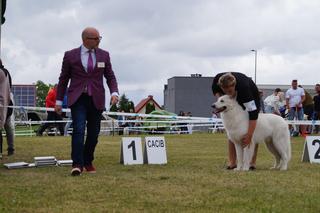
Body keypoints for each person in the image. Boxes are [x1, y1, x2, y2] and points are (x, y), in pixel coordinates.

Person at [55, 27, 119, 176]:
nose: (98, 41)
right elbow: (63, 79)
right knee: (78, 129)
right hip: (78, 98)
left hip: (96, 98)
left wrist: (114, 92)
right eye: (95, 38)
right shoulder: (70, 55)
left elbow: (110, 76)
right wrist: (58, 101)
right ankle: (77, 164)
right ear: (85, 39)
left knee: (94, 133)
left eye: (99, 38)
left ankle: (88, 160)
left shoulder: (104, 55)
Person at [212, 72, 260, 170]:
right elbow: (216, 91)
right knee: (233, 135)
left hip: (252, 96)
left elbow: (253, 114)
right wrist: (222, 101)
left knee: (251, 134)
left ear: (234, 85)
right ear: (220, 86)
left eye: (229, 90)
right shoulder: (218, 79)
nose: (228, 93)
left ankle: (251, 163)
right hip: (230, 100)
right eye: (224, 90)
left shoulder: (244, 89)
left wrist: (249, 135)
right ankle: (232, 162)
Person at [0, 59, 14, 155]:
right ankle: (11, 148)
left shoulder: (3, 73)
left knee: (7, 126)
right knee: (8, 127)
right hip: (8, 102)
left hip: (5, 103)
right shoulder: (7, 72)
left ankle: (10, 149)